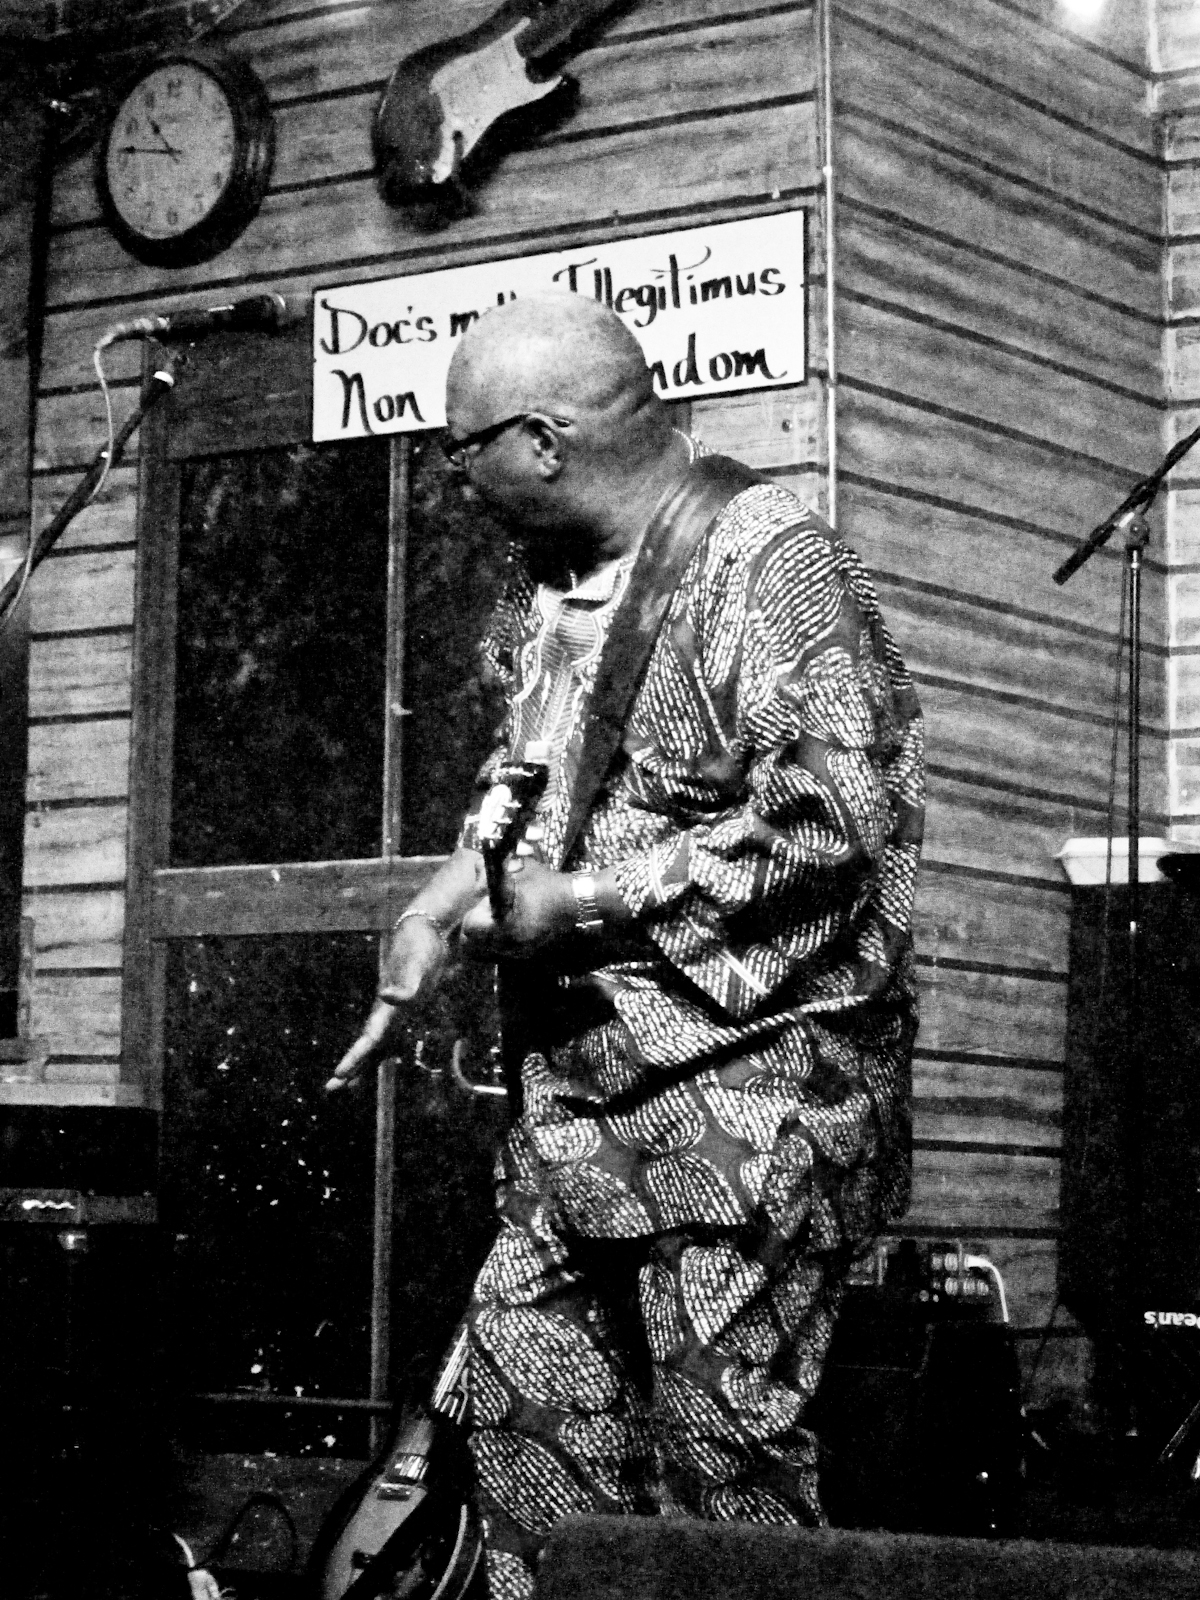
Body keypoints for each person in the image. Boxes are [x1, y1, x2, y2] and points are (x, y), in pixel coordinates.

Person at [330, 293, 924, 1600]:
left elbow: (842, 817)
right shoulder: (554, 584)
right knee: (524, 1441)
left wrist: (587, 903)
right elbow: (529, 789)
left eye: (461, 446)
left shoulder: (773, 565)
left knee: (722, 1478)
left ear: (542, 441)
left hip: (750, 1109)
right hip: (581, 1119)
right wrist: (434, 912)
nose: (452, 475)